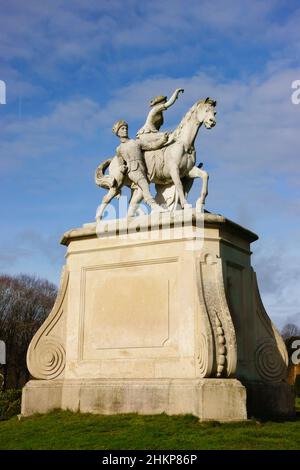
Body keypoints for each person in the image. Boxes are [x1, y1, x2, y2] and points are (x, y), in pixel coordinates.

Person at [112, 119, 163, 212]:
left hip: (143, 169)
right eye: (122, 128)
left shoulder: (136, 142)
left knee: (140, 192)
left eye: (126, 128)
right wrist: (122, 168)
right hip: (133, 171)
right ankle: (154, 206)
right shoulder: (119, 149)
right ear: (118, 132)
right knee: (145, 187)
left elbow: (151, 146)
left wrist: (162, 140)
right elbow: (120, 163)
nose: (125, 130)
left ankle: (131, 211)